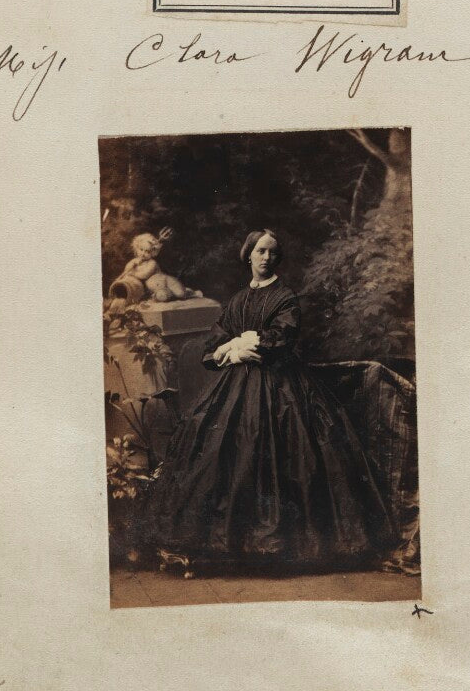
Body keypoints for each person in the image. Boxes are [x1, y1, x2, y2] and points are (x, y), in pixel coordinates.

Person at [145, 229, 397, 574]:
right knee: (218, 445)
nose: (266, 258)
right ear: (248, 254)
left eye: (273, 253)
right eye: (261, 251)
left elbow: (282, 337)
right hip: (236, 383)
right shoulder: (238, 300)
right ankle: (227, 546)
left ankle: (281, 548)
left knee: (289, 450)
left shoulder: (285, 297)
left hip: (281, 384)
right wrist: (231, 350)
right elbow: (215, 342)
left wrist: (247, 342)